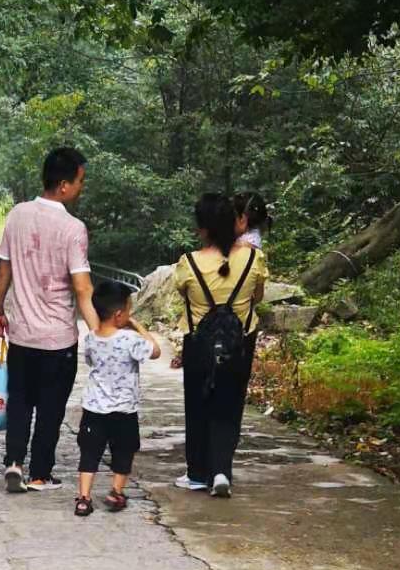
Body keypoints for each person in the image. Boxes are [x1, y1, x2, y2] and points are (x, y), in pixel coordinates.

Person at [0, 146, 98, 493]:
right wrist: (100, 331)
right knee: (51, 407)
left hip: (21, 334)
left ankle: (14, 462)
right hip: (58, 338)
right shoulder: (73, 228)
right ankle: (40, 473)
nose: (81, 188)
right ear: (64, 185)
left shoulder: (17, 215)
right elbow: (82, 288)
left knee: (20, 399)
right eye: (80, 181)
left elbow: (3, 272)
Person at [172, 192, 267, 498]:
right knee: (230, 403)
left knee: (198, 404)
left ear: (203, 229)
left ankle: (197, 474)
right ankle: (222, 470)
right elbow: (258, 297)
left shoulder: (189, 263)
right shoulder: (254, 258)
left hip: (199, 342)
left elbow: (184, 294)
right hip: (240, 341)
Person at [74, 280, 162, 517]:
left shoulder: (91, 338)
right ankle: (116, 491)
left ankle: (83, 498)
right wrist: (138, 326)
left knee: (89, 453)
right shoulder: (130, 340)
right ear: (119, 314)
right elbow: (155, 351)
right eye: (129, 311)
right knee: (123, 452)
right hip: (124, 409)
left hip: (94, 408)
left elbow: (91, 362)